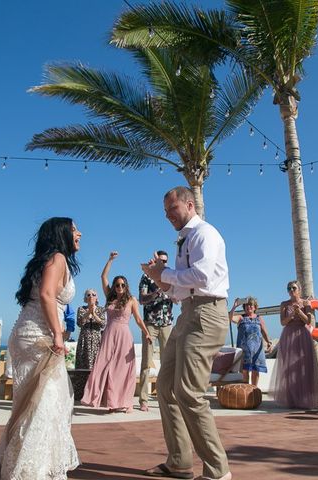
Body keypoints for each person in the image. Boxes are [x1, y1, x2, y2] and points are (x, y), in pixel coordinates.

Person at [141, 186, 232, 480]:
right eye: (165, 212)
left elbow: (203, 277)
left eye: (172, 209)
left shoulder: (204, 234)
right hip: (187, 314)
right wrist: (160, 277)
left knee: (189, 393)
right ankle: (179, 462)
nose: (168, 216)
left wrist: (164, 275)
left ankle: (218, 471)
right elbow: (181, 289)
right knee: (166, 387)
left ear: (190, 205)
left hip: (206, 314)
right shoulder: (184, 240)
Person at [0, 217, 82, 479]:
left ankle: (33, 464)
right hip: (40, 336)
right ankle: (32, 470)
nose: (80, 234)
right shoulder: (57, 258)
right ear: (62, 235)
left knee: (34, 401)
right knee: (47, 401)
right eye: (74, 230)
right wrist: (58, 335)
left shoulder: (47, 260)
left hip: (26, 332)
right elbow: (47, 294)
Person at [81, 252, 151, 413]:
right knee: (103, 367)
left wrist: (146, 332)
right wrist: (110, 260)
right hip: (109, 335)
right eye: (117, 285)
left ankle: (127, 402)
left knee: (123, 370)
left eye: (122, 285)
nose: (120, 287)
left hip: (124, 336)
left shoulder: (132, 300)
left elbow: (139, 319)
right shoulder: (109, 297)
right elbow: (103, 276)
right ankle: (110, 402)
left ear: (126, 286)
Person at [272, 280, 318, 410]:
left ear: (299, 289)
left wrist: (299, 312)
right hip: (289, 334)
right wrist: (292, 315)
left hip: (302, 334)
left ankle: (305, 398)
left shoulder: (305, 303)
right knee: (289, 366)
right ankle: (291, 398)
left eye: (294, 288)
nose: (291, 290)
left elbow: (309, 321)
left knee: (304, 365)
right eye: (289, 288)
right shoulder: (284, 304)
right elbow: (283, 322)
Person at [138, 250, 174, 412]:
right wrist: (156, 292)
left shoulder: (171, 276)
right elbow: (142, 299)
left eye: (166, 261)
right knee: (146, 362)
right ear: (156, 261)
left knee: (169, 363)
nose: (164, 264)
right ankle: (144, 399)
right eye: (162, 261)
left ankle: (166, 396)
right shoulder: (146, 277)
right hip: (150, 324)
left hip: (167, 324)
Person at [228, 296, 270, 386]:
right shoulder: (241, 318)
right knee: (245, 372)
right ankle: (246, 394)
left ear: (255, 307)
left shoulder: (259, 318)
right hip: (244, 352)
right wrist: (234, 306)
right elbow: (230, 318)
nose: (249, 307)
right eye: (246, 305)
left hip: (257, 351)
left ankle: (254, 392)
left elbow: (264, 332)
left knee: (255, 371)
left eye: (251, 305)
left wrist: (268, 342)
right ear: (244, 307)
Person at [74, 289, 106, 370]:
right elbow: (80, 323)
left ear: (97, 298)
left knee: (97, 365)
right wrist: (88, 312)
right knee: (83, 364)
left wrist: (94, 314)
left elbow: (103, 324)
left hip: (97, 340)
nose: (91, 296)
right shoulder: (81, 309)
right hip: (84, 340)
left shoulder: (101, 309)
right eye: (88, 295)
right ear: (85, 298)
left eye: (93, 294)